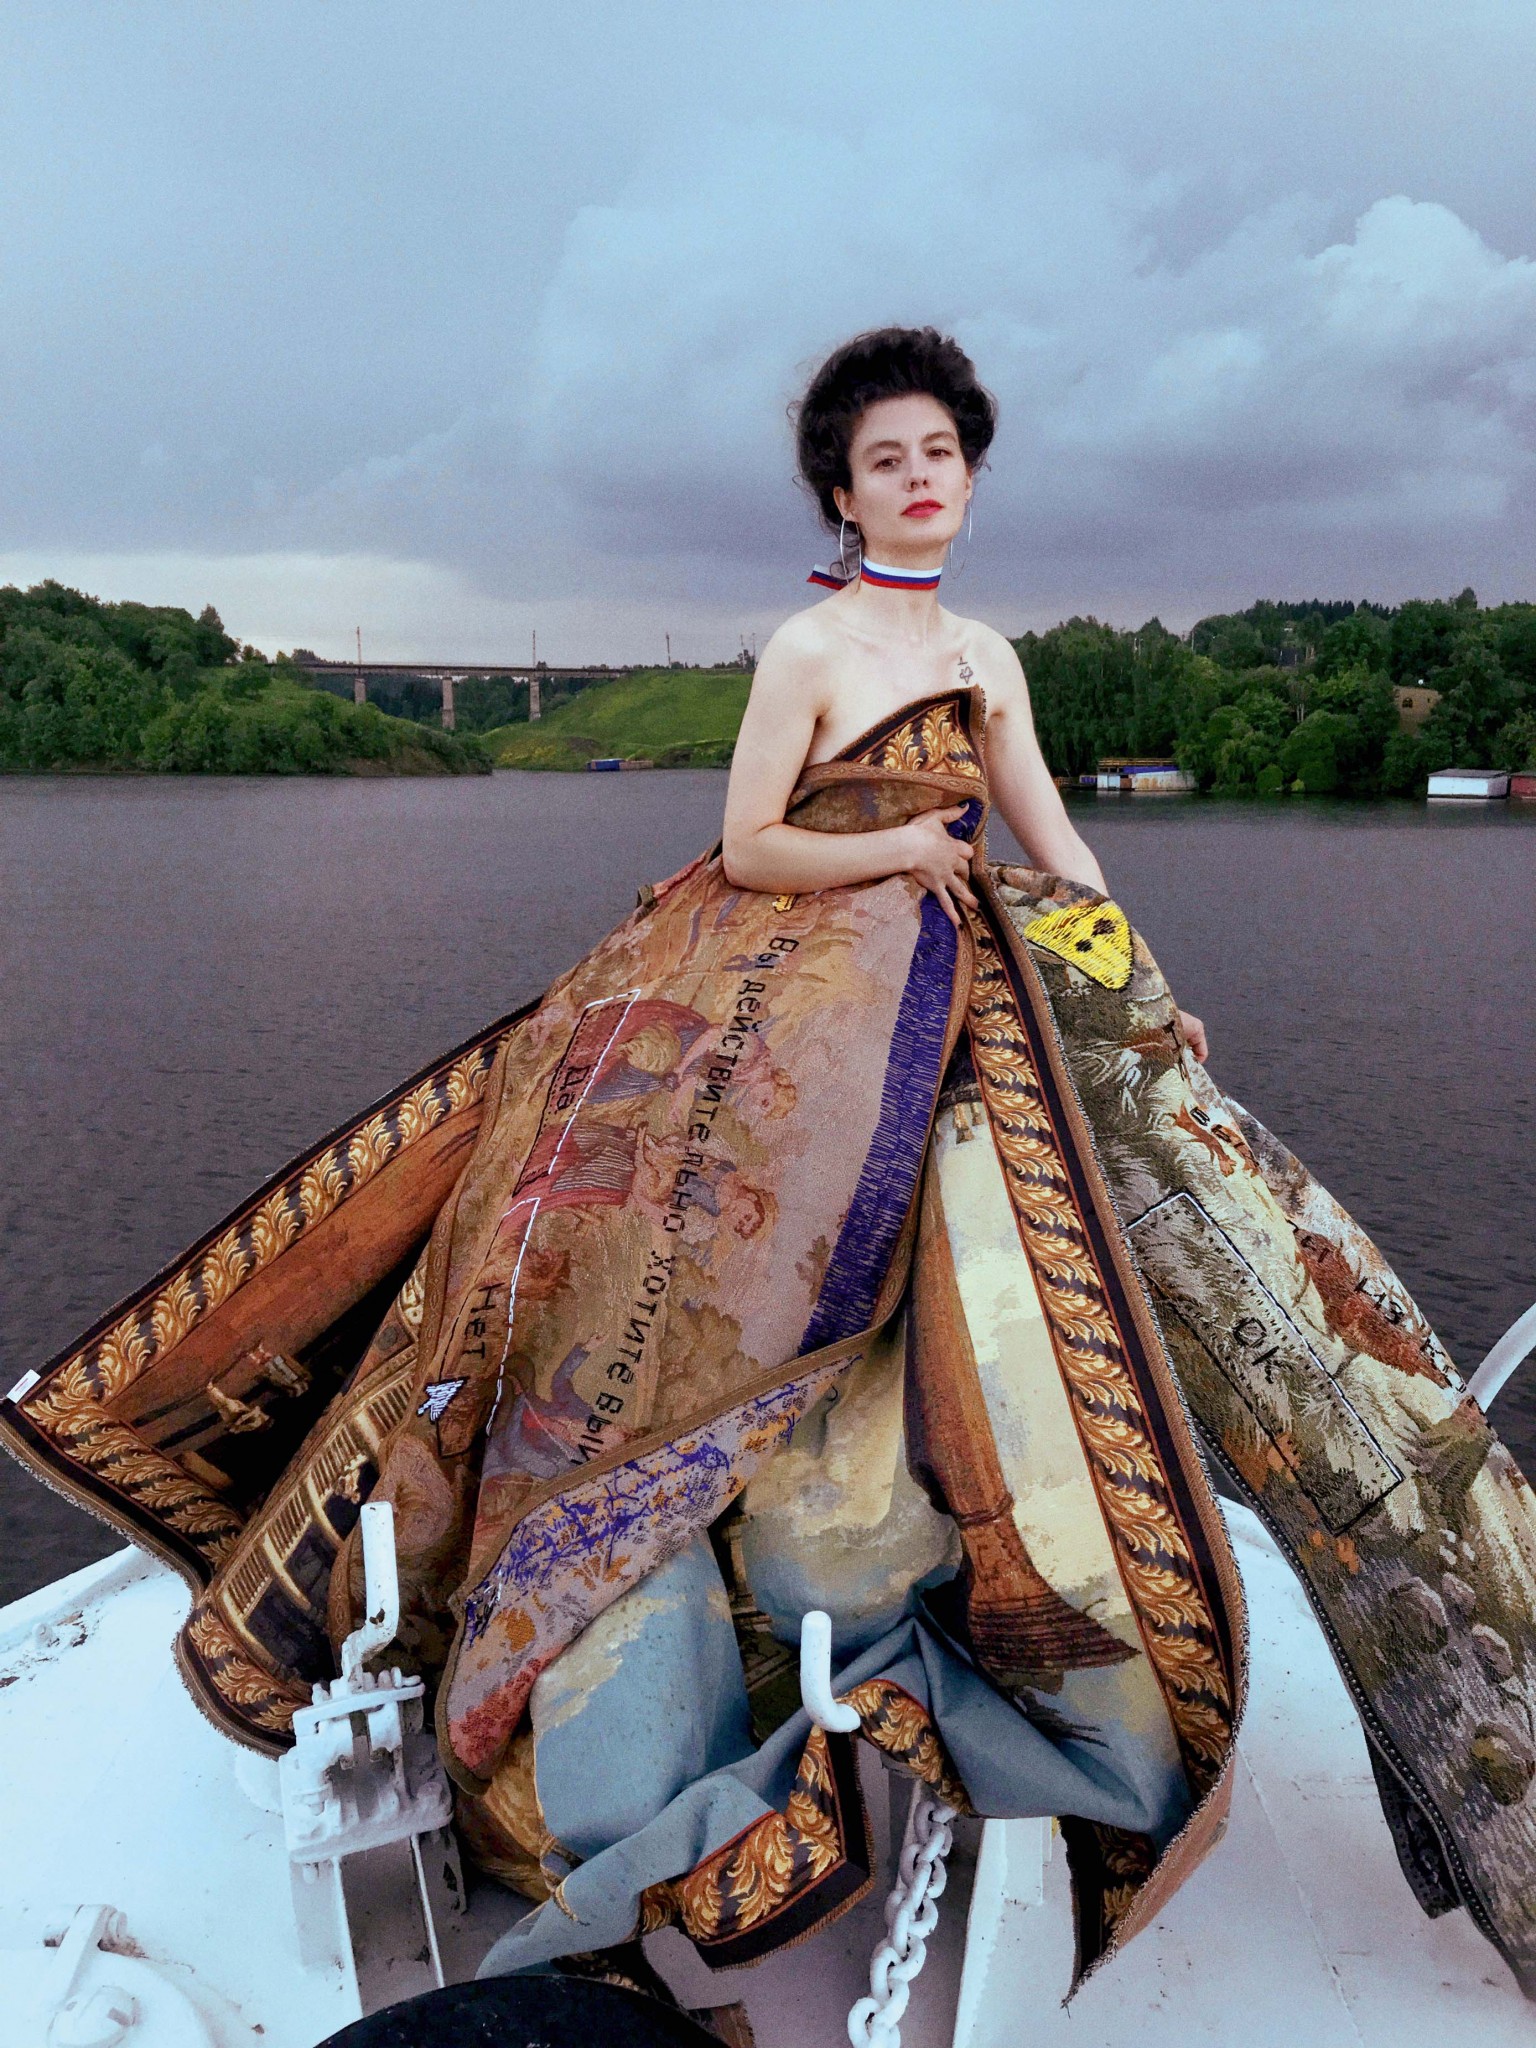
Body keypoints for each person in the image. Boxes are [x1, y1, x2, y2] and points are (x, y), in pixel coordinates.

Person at [10, 326, 1536, 2010]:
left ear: (971, 476)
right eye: (887, 460)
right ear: (842, 495)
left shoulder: (988, 658)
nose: (920, 478)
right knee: (709, 1275)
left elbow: (1053, 835)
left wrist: (1136, 979)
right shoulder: (810, 650)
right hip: (795, 998)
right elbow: (751, 842)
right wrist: (901, 846)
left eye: (942, 453)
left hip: (952, 992)